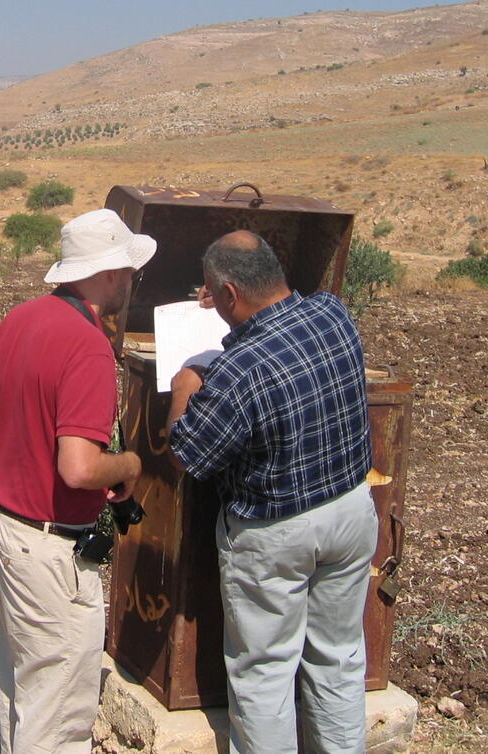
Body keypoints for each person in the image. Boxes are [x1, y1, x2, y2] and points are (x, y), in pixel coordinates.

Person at [165, 230, 375, 754]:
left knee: (264, 673)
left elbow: (188, 453)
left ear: (229, 295)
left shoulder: (239, 371)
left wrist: (184, 388)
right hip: (351, 513)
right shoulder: (334, 313)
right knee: (340, 657)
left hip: (274, 533)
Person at [0, 207, 155, 754]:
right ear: (112, 272)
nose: (131, 283)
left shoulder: (20, 318)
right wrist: (130, 465)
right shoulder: (90, 346)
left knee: (22, 685)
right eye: (129, 272)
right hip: (48, 549)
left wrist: (34, 423)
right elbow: (80, 468)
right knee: (58, 711)